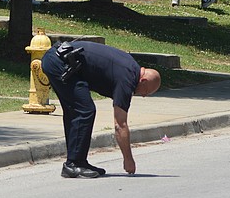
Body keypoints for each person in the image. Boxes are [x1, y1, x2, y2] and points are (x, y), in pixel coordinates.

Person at [40, 41, 162, 178]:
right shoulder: (128, 79)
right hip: (59, 62)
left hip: (58, 59)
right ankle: (74, 164)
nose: (144, 95)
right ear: (143, 80)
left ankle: (77, 161)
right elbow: (120, 125)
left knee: (75, 111)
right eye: (146, 92)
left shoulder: (130, 67)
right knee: (85, 111)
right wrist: (128, 159)